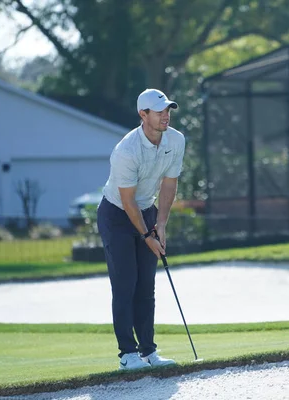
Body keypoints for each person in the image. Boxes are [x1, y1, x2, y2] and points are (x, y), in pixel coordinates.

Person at [97, 88, 186, 370]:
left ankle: (149, 351)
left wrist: (160, 225)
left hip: (146, 211)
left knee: (146, 287)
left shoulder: (176, 140)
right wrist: (147, 235)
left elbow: (169, 184)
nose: (165, 116)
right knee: (125, 285)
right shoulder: (126, 151)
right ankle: (128, 354)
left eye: (168, 110)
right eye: (159, 112)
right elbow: (127, 201)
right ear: (142, 115)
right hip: (116, 215)